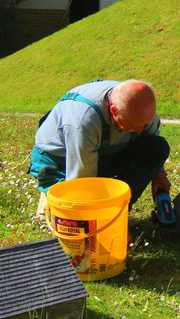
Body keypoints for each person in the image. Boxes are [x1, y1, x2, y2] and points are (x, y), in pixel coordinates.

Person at [29, 79, 171, 217]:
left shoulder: (140, 106)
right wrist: (100, 223)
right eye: (132, 125)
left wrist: (159, 173)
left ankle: (117, 211)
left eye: (144, 123)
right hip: (61, 163)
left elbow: (150, 139)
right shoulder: (84, 120)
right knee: (73, 211)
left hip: (99, 156)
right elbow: (83, 182)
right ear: (114, 110)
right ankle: (53, 200)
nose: (140, 130)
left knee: (157, 148)